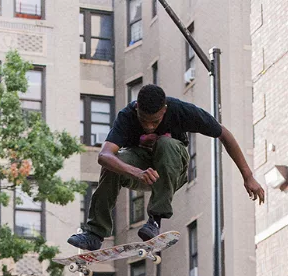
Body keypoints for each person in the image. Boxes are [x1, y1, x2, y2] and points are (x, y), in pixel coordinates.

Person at [68, 83, 265, 251]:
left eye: (155, 121)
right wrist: (136, 171)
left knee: (166, 143)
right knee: (113, 163)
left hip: (173, 171)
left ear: (164, 110)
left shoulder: (181, 111)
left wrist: (247, 176)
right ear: (137, 108)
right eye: (144, 121)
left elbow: (224, 134)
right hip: (142, 170)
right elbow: (104, 155)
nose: (149, 126)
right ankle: (95, 233)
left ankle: (155, 220)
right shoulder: (127, 116)